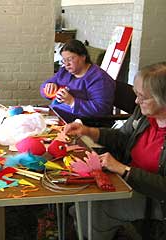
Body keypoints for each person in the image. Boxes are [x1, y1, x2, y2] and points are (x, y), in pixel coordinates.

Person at [64, 62, 166, 239]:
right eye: (136, 94)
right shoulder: (144, 115)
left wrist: (123, 169)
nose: (136, 101)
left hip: (155, 198)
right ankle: (83, 225)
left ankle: (89, 229)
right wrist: (88, 131)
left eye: (142, 97)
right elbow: (122, 137)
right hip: (130, 182)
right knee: (83, 195)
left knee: (95, 209)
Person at [40, 39, 115, 123]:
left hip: (83, 123)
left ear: (83, 57)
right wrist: (49, 87)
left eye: (70, 59)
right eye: (64, 60)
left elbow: (101, 110)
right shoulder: (65, 71)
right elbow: (44, 88)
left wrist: (72, 102)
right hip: (57, 114)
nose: (66, 64)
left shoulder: (99, 79)